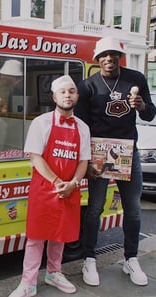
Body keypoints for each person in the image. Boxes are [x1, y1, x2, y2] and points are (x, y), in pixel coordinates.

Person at [74, 36, 156, 287]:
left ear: (120, 56)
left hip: (128, 152)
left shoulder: (136, 79)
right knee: (95, 208)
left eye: (113, 54)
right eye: (103, 56)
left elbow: (151, 113)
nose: (108, 59)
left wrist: (141, 105)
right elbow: (82, 127)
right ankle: (89, 259)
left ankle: (130, 258)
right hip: (99, 152)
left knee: (132, 208)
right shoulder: (88, 85)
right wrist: (86, 161)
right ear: (97, 59)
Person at [8, 75, 91, 297]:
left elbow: (84, 161)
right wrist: (57, 182)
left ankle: (54, 273)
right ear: (54, 96)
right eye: (63, 91)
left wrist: (73, 183)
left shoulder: (83, 127)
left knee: (60, 235)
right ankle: (28, 282)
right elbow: (35, 157)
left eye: (72, 91)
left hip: (70, 188)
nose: (67, 95)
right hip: (45, 188)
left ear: (77, 96)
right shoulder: (41, 122)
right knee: (36, 237)